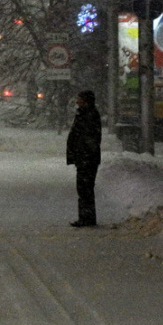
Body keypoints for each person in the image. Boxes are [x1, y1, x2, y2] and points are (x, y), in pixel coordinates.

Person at [66, 90, 102, 228]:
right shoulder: (85, 113)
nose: (77, 101)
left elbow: (88, 138)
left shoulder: (88, 115)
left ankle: (87, 218)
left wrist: (82, 152)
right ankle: (86, 217)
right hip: (85, 157)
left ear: (86, 100)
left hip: (87, 158)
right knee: (84, 189)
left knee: (85, 188)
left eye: (80, 99)